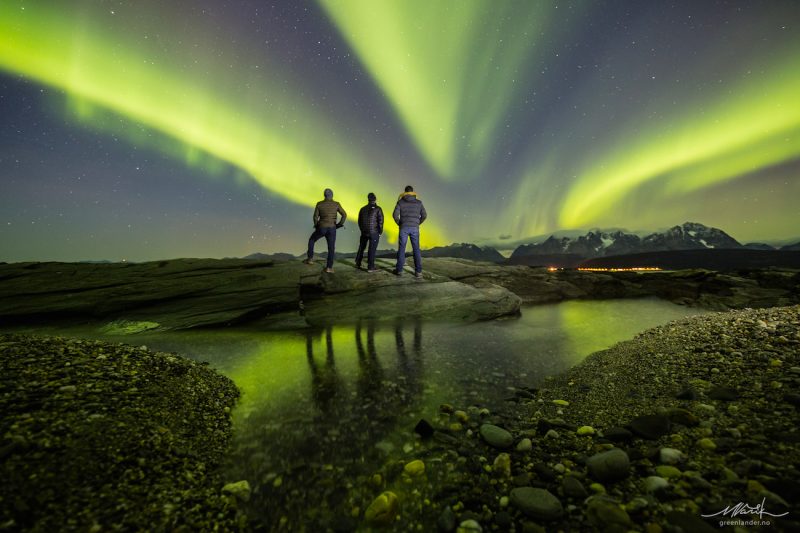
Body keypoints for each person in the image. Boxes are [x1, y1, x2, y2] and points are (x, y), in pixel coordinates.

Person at [304, 188, 346, 273]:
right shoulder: (336, 204)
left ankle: (310, 259)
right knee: (331, 248)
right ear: (332, 195)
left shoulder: (319, 204)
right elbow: (344, 215)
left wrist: (316, 226)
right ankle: (329, 268)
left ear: (324, 195)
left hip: (322, 227)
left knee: (312, 240)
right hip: (332, 228)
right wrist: (339, 224)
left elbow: (315, 217)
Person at [393, 185, 427, 277]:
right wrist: (417, 223)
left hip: (404, 227)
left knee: (401, 248)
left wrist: (400, 224)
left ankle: (399, 270)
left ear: (405, 192)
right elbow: (424, 215)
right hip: (415, 228)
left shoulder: (400, 202)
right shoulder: (419, 203)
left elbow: (395, 215)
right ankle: (418, 272)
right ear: (413, 192)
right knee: (416, 249)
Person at [355, 192, 384, 272]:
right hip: (374, 232)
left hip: (364, 232)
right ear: (375, 199)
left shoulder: (362, 209)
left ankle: (358, 263)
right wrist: (380, 232)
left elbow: (359, 221)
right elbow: (380, 222)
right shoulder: (378, 209)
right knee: (372, 249)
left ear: (368, 199)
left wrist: (362, 230)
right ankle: (370, 267)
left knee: (361, 247)